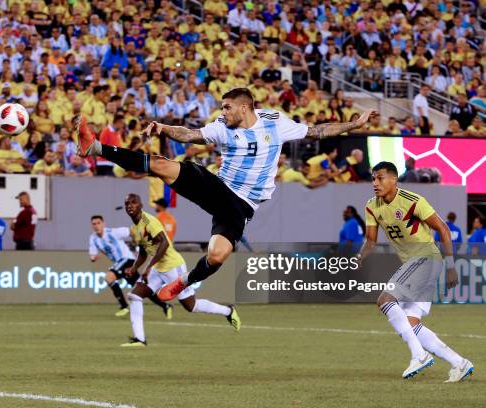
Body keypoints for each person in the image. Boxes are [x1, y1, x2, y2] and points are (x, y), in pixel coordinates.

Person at [74, 87, 377, 301]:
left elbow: (318, 131)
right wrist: (163, 128)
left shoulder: (275, 122)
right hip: (219, 187)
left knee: (217, 257)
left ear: (245, 107)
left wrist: (355, 124)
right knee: (161, 166)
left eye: (227, 107)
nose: (223, 112)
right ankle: (96, 147)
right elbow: (191, 134)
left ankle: (185, 282)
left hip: (242, 206)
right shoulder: (222, 127)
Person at [359, 162, 472, 382]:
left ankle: (419, 356)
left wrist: (450, 266)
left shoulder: (413, 201)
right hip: (415, 263)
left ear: (394, 179)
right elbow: (370, 240)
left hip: (426, 257)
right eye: (373, 178)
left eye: (380, 178)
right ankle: (459, 363)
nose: (375, 183)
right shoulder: (372, 206)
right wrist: (359, 257)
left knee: (385, 300)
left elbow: (443, 229)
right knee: (411, 322)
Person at [120, 193, 240, 347]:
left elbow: (163, 243)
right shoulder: (134, 228)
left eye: (133, 202)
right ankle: (140, 339)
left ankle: (228, 311)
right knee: (135, 296)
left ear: (141, 205)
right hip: (158, 267)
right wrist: (135, 267)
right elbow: (144, 251)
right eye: (127, 203)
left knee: (191, 306)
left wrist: (148, 267)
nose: (130, 205)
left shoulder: (148, 221)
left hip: (172, 266)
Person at [89, 215, 171, 318]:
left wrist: (138, 248)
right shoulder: (93, 238)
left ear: (103, 224)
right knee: (141, 289)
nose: (96, 226)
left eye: (98, 223)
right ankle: (166, 306)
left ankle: (124, 306)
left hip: (127, 259)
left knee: (109, 277)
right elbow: (93, 255)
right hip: (120, 263)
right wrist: (94, 257)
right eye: (94, 224)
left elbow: (132, 231)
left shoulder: (113, 232)